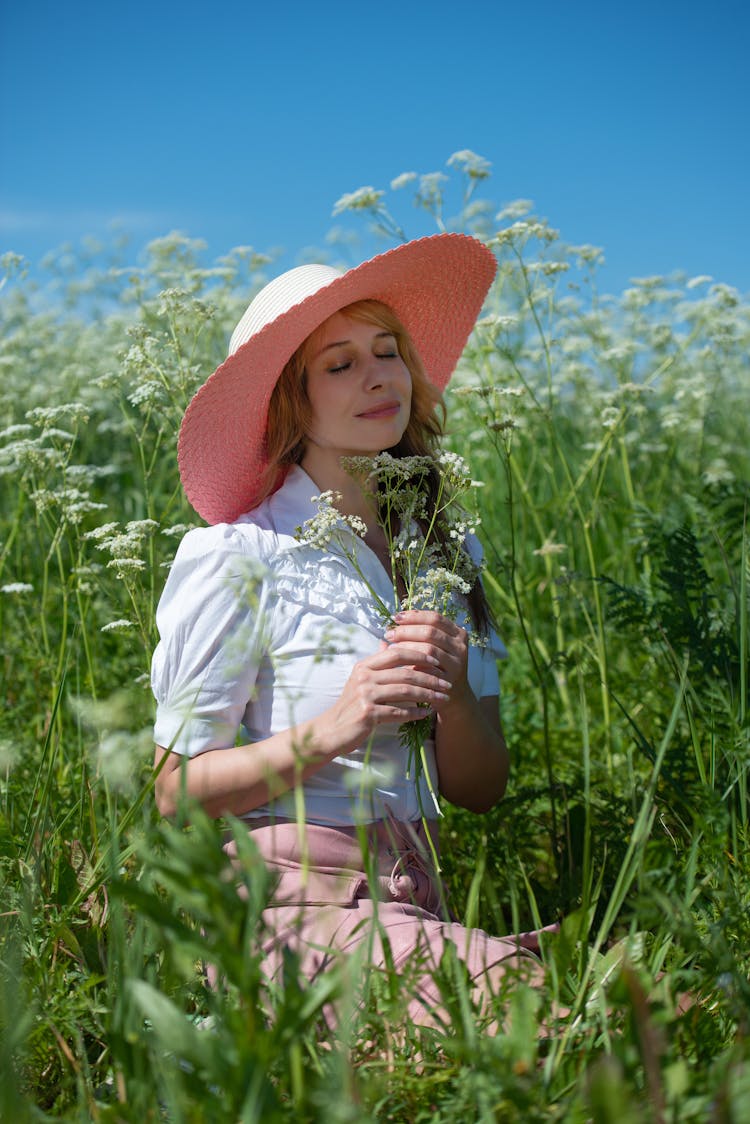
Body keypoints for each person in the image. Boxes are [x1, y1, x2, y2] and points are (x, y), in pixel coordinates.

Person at [151, 233, 554, 1030]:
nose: (379, 376)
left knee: (640, 1000)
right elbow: (173, 794)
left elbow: (479, 790)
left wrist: (456, 701)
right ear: (290, 402)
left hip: (415, 892)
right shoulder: (240, 554)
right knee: (548, 1015)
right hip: (283, 904)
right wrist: (343, 723)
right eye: (339, 363)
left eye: (387, 351)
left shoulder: (446, 547)